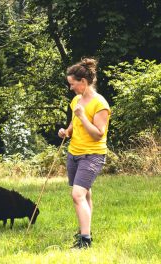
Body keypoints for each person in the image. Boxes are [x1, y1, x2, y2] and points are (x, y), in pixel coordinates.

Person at [58, 58, 111, 249]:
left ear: (83, 82)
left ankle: (85, 241)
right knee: (85, 193)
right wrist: (67, 131)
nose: (71, 88)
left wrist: (82, 116)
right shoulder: (76, 101)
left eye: (72, 84)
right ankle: (84, 231)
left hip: (92, 155)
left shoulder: (100, 104)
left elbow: (98, 134)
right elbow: (75, 122)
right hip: (74, 153)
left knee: (77, 194)